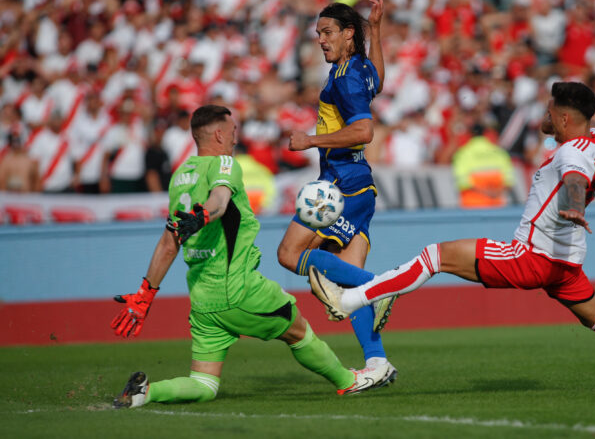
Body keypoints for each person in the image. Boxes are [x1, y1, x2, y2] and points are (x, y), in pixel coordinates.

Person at [308, 82, 595, 390]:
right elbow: (583, 154)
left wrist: (574, 205)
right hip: (568, 262)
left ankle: (351, 300)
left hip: (533, 256)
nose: (543, 115)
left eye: (549, 109)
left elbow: (575, 177)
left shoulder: (572, 152)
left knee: (435, 256)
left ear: (563, 118)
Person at [111, 105, 391, 409]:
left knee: (203, 384)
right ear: (219, 134)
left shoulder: (181, 176)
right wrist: (206, 214)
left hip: (203, 299)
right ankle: (349, 381)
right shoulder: (226, 165)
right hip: (239, 288)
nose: (235, 138)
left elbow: (169, 241)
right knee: (298, 331)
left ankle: (146, 393)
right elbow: (219, 200)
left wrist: (145, 294)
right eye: (232, 132)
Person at [276, 0, 397, 384]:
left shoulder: (344, 79)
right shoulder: (357, 67)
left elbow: (365, 130)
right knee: (344, 284)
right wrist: (375, 29)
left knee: (290, 253)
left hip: (340, 184)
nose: (320, 40)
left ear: (348, 34)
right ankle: (377, 363)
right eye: (317, 33)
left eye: (327, 32)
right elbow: (379, 77)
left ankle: (380, 286)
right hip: (361, 186)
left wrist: (310, 141)